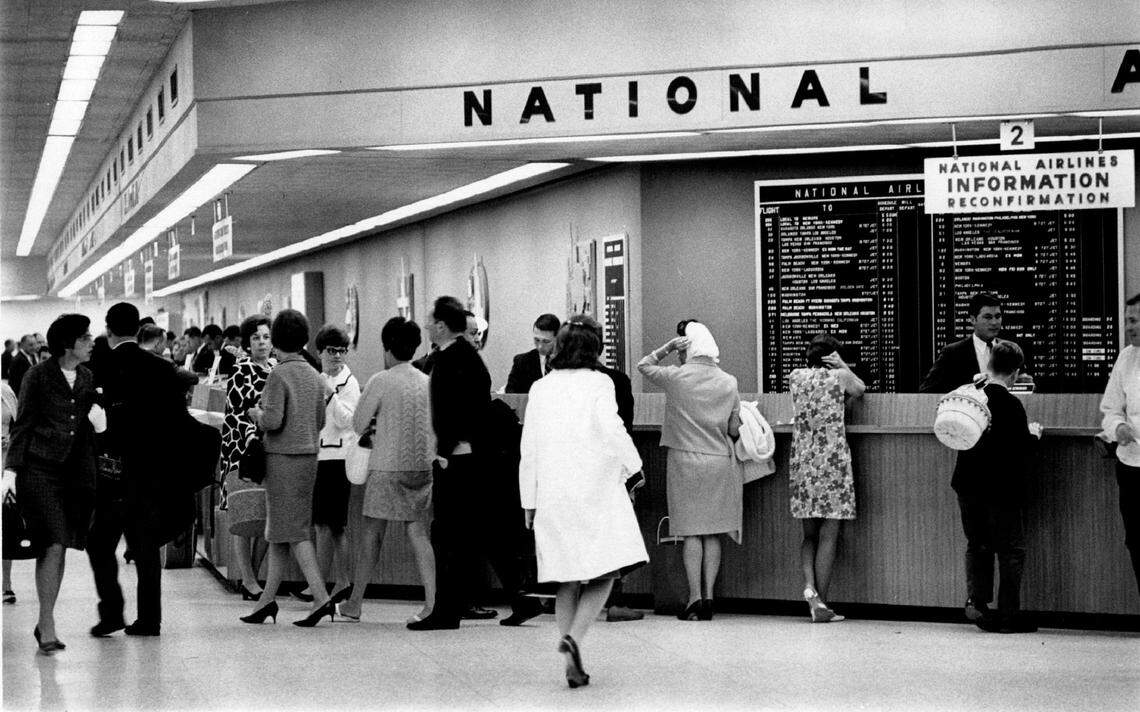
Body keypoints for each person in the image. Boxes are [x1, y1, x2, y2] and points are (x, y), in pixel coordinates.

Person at [521, 319, 647, 688]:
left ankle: (568, 657)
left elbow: (529, 448)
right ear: (595, 350)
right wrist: (635, 467)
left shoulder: (540, 388)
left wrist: (529, 499)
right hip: (596, 489)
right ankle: (574, 638)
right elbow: (612, 428)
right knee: (605, 570)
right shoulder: (600, 382)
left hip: (553, 494)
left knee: (566, 575)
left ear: (559, 348)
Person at [416, 296, 539, 629]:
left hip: (457, 459)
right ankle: (520, 596)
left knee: (447, 535)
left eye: (430, 321)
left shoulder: (449, 359)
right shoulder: (468, 357)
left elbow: (448, 411)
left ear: (441, 325)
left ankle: (446, 611)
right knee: (487, 530)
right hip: (476, 456)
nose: (427, 325)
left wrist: (441, 450)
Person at [87, 302, 195, 638]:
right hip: (152, 472)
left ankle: (112, 611)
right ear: (138, 328)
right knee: (146, 548)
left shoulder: (100, 366)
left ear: (109, 329)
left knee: (100, 544)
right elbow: (179, 423)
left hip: (112, 471)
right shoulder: (163, 369)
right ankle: (150, 619)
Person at [2, 314, 100, 653]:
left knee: (59, 543)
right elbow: (23, 424)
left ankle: (46, 619)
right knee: (53, 543)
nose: (91, 342)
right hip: (39, 470)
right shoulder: (37, 376)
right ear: (67, 344)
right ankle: (47, 623)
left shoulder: (87, 376)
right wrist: (10, 472)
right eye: (85, 337)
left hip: (74, 474)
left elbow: (86, 424)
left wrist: (99, 425)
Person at [638, 320, 740, 621]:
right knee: (713, 533)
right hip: (719, 461)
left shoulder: (678, 377)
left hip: (685, 461)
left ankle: (693, 598)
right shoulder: (729, 381)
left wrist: (668, 347)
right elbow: (734, 427)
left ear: (689, 347)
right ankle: (709, 597)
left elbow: (644, 365)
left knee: (692, 533)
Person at [338, 317, 437, 624]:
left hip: (387, 466)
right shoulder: (427, 381)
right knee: (419, 533)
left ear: (387, 347)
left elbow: (357, 423)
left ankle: (355, 602)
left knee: (372, 534)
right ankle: (432, 602)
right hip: (421, 466)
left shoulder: (381, 380)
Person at [241, 309, 335, 627]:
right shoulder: (314, 374)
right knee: (281, 532)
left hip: (282, 459)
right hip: (309, 456)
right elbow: (321, 420)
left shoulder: (278, 375)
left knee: (293, 532)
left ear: (277, 340)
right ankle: (266, 602)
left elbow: (273, 420)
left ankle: (321, 598)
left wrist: (256, 414)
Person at [954, 341, 1042, 633]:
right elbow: (1018, 448)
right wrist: (1034, 436)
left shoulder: (972, 396)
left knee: (977, 544)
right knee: (1010, 550)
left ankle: (977, 604)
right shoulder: (1011, 404)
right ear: (1015, 373)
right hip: (1000, 488)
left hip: (967, 484)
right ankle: (1007, 613)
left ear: (989, 364)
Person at [787, 334, 866, 622]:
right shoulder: (840, 377)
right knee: (829, 533)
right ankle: (822, 603)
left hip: (803, 461)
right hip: (832, 461)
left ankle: (810, 590)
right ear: (832, 357)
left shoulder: (795, 377)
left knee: (809, 534)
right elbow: (860, 389)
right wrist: (842, 364)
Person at [574, 315, 643, 622]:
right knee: (613, 536)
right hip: (608, 470)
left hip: (574, 469)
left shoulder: (554, 384)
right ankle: (614, 601)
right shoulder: (616, 380)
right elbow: (623, 428)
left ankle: (572, 598)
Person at [219, 315, 275, 601]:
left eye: (266, 337)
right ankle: (250, 580)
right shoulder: (241, 368)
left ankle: (250, 576)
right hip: (243, 451)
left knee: (265, 516)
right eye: (256, 338)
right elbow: (244, 410)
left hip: (270, 450)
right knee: (244, 515)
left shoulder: (278, 366)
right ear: (247, 343)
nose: (262, 343)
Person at [307, 325, 359, 602]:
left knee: (328, 526)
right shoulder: (318, 377)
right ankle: (341, 581)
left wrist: (330, 395)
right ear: (320, 352)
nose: (337, 356)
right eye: (331, 351)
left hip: (338, 459)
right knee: (328, 526)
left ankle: (319, 586)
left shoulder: (349, 383)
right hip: (319, 456)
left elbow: (349, 421)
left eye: (341, 351)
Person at [1098, 293, 1140, 597]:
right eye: (1127, 321)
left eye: (1135, 320)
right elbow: (1110, 410)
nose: (1129, 327)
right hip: (1131, 466)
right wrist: (1118, 427)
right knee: (1137, 541)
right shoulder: (1126, 357)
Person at [920, 292, 1027, 393]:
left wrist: (1024, 383)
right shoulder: (952, 353)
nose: (994, 322)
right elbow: (926, 391)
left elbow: (1024, 386)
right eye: (988, 317)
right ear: (973, 320)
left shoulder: (1010, 349)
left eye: (998, 316)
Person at [505, 314, 560, 393]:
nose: (540, 346)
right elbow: (510, 394)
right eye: (537, 340)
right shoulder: (521, 362)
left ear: (557, 338)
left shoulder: (569, 362)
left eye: (546, 341)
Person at [2, 380, 18, 604]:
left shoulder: (6, 391)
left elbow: (20, 425)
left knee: (5, 524)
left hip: (5, 463)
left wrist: (11, 440)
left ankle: (6, 583)